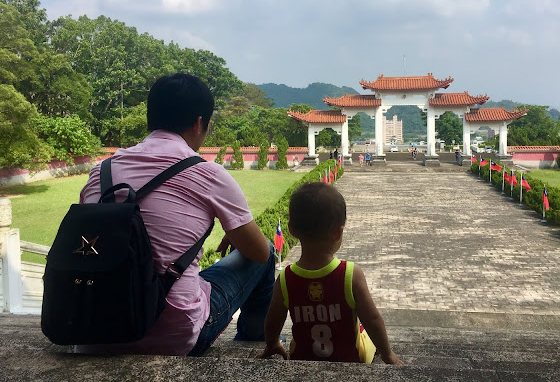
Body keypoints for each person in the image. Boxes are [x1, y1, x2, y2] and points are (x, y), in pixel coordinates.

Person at [76, 73, 274, 356]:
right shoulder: (209, 174)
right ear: (198, 123)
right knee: (266, 249)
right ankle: (252, 340)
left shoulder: (101, 172)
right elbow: (257, 253)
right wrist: (233, 230)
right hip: (174, 335)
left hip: (93, 328)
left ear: (150, 118)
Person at [259, 182, 403, 365]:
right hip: (349, 360)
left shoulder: (285, 278)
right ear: (338, 232)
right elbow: (373, 319)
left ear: (291, 229)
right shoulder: (350, 274)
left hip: (302, 359)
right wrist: (388, 355)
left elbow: (273, 321)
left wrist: (272, 343)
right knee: (363, 331)